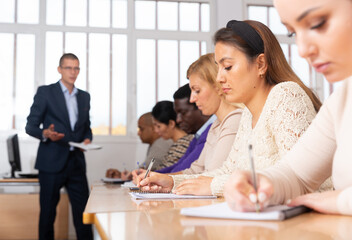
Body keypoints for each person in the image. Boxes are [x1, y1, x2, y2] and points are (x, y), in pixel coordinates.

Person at [136, 20, 326, 197]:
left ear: (260, 64)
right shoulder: (247, 114)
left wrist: (213, 186)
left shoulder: (286, 95)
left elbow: (298, 174)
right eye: (218, 68)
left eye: (227, 67)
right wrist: (172, 182)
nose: (219, 78)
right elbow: (228, 171)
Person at [223, 0, 352, 216]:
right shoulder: (342, 99)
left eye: (318, 24)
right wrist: (264, 184)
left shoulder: (286, 94)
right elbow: (297, 174)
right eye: (292, 33)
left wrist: (341, 200)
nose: (302, 50)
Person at [135, 53, 242, 180]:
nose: (192, 99)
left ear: (217, 86)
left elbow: (213, 176)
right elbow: (195, 170)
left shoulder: (234, 120)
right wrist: (159, 179)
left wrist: (164, 180)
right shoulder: (216, 125)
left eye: (197, 90)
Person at [25, 53, 93, 239]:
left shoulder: (84, 97)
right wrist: (45, 133)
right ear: (59, 69)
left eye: (76, 68)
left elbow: (86, 128)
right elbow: (30, 126)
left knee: (84, 213)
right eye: (68, 68)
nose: (73, 72)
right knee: (48, 213)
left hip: (76, 162)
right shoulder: (46, 93)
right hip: (51, 162)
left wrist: (87, 139)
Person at [156, 84, 215, 173]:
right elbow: (180, 164)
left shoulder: (210, 131)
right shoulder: (198, 136)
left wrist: (156, 177)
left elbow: (185, 168)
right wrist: (153, 175)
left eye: (183, 113)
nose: (178, 120)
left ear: (199, 106)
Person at [105, 112, 172, 178]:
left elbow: (145, 170)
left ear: (154, 128)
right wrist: (122, 175)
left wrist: (128, 175)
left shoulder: (161, 144)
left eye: (141, 129)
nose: (138, 133)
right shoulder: (155, 143)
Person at [151, 100, 194, 170]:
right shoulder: (183, 142)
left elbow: (165, 172)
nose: (156, 130)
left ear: (171, 123)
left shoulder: (182, 145)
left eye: (158, 126)